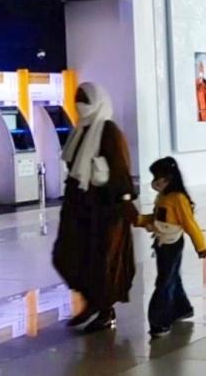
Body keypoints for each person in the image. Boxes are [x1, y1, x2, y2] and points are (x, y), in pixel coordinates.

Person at [52, 83, 137, 333]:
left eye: (84, 99)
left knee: (102, 260)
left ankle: (105, 310)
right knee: (68, 255)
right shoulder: (80, 130)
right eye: (77, 98)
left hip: (104, 209)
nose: (80, 104)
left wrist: (124, 202)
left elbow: (120, 168)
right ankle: (92, 302)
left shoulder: (108, 131)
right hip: (79, 207)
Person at [136, 157, 206, 338]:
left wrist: (201, 246)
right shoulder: (164, 197)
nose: (154, 182)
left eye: (157, 177)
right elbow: (156, 219)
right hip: (162, 242)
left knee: (165, 281)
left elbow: (190, 224)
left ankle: (158, 322)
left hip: (171, 243)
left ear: (169, 178)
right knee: (172, 275)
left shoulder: (178, 199)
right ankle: (181, 308)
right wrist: (136, 219)